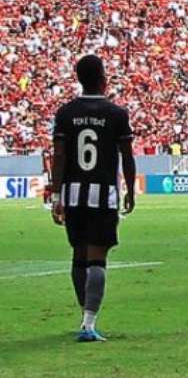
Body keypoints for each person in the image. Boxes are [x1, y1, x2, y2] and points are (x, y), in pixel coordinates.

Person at [49, 55, 136, 342]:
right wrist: (131, 191)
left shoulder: (65, 113)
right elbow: (127, 156)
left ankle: (84, 314)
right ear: (103, 77)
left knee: (79, 255)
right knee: (97, 256)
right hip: (103, 196)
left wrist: (57, 194)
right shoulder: (116, 113)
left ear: (78, 78)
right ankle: (89, 322)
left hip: (73, 195)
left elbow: (59, 156)